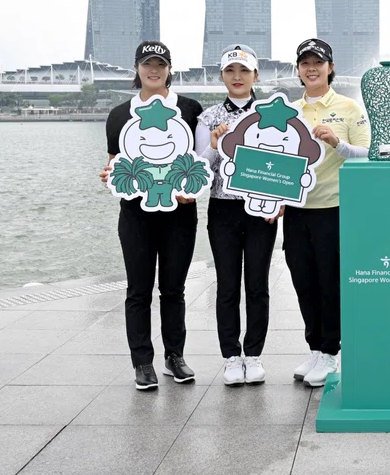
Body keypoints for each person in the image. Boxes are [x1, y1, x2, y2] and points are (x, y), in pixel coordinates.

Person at [100, 41, 203, 390]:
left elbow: (200, 162)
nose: (153, 70)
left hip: (179, 214)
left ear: (170, 68)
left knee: (173, 289)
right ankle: (142, 362)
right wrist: (110, 175)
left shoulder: (190, 110)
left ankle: (175, 357)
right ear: (137, 68)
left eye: (160, 63)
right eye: (147, 64)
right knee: (138, 290)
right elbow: (117, 164)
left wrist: (193, 188)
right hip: (136, 216)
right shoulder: (118, 115)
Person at [285, 38, 370, 389]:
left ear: (330, 67)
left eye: (318, 62)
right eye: (305, 63)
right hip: (296, 207)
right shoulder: (287, 110)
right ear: (299, 70)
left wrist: (338, 143)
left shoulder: (350, 108)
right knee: (303, 281)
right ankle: (315, 347)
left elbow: (369, 153)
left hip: (334, 206)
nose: (311, 68)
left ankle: (331, 352)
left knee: (329, 282)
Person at [195, 44, 280, 386]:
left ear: (255, 76)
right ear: (222, 77)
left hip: (263, 209)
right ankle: (231, 356)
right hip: (224, 208)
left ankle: (254, 354)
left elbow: (284, 162)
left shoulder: (272, 113)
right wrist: (215, 146)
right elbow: (199, 170)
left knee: (257, 284)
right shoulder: (209, 117)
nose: (237, 77)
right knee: (228, 285)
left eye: (244, 71)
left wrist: (281, 199)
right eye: (230, 71)